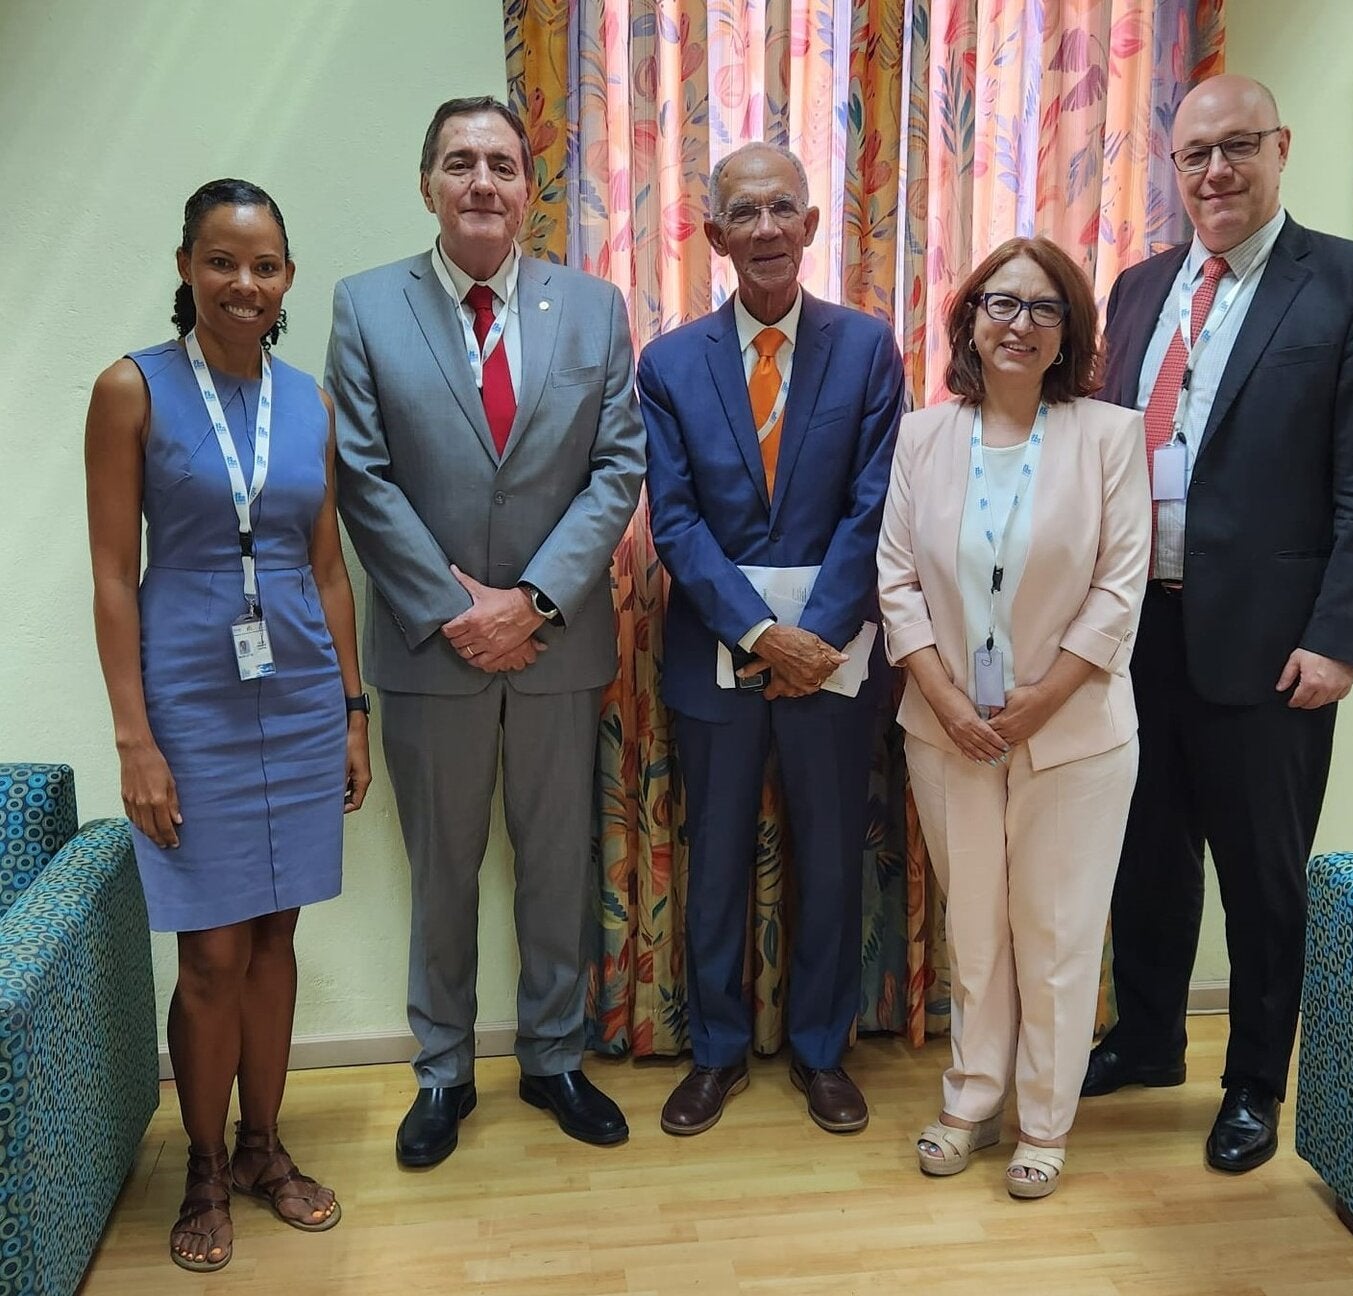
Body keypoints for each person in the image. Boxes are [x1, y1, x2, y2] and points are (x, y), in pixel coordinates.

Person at [1083, 75, 1353, 1172]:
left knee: (1263, 872)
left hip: (1274, 643)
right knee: (1145, 853)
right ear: (1172, 169)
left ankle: (1254, 1081)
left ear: (1280, 146)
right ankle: (1143, 1038)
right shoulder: (1135, 289)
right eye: (1193, 156)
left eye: (1236, 148)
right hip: (1138, 633)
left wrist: (1338, 638)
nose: (1215, 172)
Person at [326, 96, 645, 1166]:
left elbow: (616, 467)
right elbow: (361, 476)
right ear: (428, 183)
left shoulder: (592, 309)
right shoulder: (367, 306)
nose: (482, 183)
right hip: (431, 649)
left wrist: (534, 601)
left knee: (557, 863)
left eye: (502, 164)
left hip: (557, 645)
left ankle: (555, 1057)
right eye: (460, 163)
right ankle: (441, 1072)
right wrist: (458, 610)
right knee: (443, 870)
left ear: (528, 188)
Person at [86, 179, 371, 1272]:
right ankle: (203, 1164)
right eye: (220, 261)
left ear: (287, 277)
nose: (242, 284)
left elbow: (328, 567)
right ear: (185, 266)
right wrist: (134, 740)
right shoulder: (133, 390)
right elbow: (115, 578)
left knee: (277, 934)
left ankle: (264, 1146)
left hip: (297, 690)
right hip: (190, 695)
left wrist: (351, 710)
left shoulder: (313, 403)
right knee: (209, 949)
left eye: (263, 265)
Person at [638, 143, 904, 1137]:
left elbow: (875, 504)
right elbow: (673, 519)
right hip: (716, 650)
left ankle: (822, 1051)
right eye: (742, 213)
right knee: (714, 864)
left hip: (834, 659)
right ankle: (714, 1051)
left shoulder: (868, 347)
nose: (763, 229)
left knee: (831, 856)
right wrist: (759, 632)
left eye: (781, 208)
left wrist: (816, 637)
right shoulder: (666, 364)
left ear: (810, 224)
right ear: (713, 235)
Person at [877, 237, 1150, 1197]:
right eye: (1001, 303)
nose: (1019, 323)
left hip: (1073, 734)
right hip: (947, 731)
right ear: (969, 320)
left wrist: (1037, 703)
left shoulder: (1110, 437)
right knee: (977, 931)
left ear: (1068, 328)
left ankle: (1045, 1121)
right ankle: (969, 1100)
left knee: (1058, 931)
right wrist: (950, 703)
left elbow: (1119, 592)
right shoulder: (924, 434)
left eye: (1043, 308)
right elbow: (897, 581)